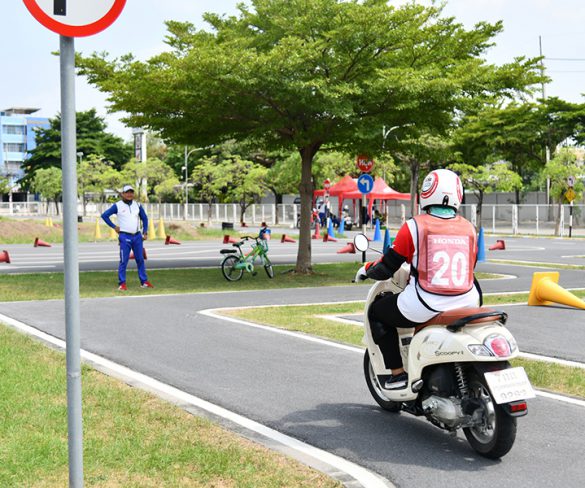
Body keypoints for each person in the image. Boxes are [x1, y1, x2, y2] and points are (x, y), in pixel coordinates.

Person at [355, 169, 480, 389]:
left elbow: (386, 268)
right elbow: (471, 266)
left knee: (377, 312)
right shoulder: (470, 228)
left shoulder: (414, 226)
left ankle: (397, 374)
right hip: (467, 302)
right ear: (458, 194)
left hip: (426, 303)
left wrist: (366, 268)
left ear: (426, 192)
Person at [101, 185, 153, 291]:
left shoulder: (137, 205)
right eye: (127, 192)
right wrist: (114, 227)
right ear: (123, 194)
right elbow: (104, 215)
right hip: (125, 236)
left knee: (140, 260)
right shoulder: (117, 205)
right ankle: (122, 284)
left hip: (137, 236)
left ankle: (144, 282)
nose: (129, 194)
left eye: (131, 192)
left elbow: (144, 218)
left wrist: (145, 231)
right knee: (124, 261)